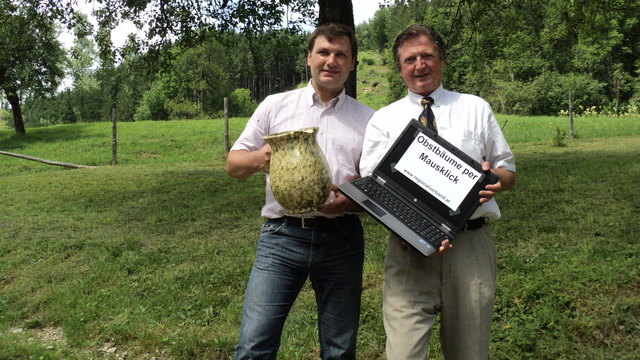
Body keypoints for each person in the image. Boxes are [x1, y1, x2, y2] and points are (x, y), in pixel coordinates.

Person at [359, 24, 516, 360]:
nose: (420, 65)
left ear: (441, 59)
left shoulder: (475, 108)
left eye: (427, 55)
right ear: (400, 68)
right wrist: (409, 228)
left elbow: (507, 171)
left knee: (469, 353)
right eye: (410, 59)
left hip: (469, 248)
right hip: (407, 253)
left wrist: (494, 181)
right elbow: (372, 186)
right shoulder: (384, 120)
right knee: (402, 354)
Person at [225, 23, 375, 360]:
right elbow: (233, 165)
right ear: (309, 58)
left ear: (352, 64)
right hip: (281, 236)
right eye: (323, 52)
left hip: (342, 239)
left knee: (339, 348)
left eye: (341, 55)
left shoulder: (370, 120)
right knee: (254, 345)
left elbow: (379, 185)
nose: (331, 61)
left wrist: (352, 200)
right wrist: (258, 158)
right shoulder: (275, 106)